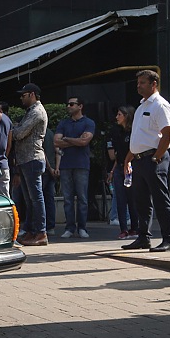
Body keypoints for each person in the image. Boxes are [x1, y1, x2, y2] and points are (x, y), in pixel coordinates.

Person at [122, 70, 170, 252]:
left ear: (154, 84)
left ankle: (169, 239)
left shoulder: (160, 105)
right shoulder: (141, 107)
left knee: (161, 199)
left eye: (142, 83)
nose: (138, 86)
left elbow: (168, 133)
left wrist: (157, 156)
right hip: (139, 159)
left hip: (153, 158)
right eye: (138, 82)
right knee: (141, 201)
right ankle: (143, 237)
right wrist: (128, 158)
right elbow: (139, 137)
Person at [12, 83, 48, 247]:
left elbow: (19, 133)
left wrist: (13, 127)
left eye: (24, 95)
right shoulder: (31, 112)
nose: (21, 98)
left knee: (36, 198)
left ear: (32, 94)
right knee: (30, 199)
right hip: (26, 159)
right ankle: (32, 231)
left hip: (32, 159)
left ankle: (41, 232)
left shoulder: (36, 112)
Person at [54, 97, 95, 239]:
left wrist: (67, 139)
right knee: (68, 199)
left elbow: (85, 141)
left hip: (81, 164)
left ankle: (82, 227)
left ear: (80, 106)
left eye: (72, 104)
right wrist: (76, 140)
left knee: (82, 198)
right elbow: (56, 141)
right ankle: (70, 228)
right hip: (66, 165)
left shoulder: (88, 123)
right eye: (68, 104)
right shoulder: (64, 123)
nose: (68, 106)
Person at [106, 105, 138, 240]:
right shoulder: (116, 131)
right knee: (120, 198)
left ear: (127, 116)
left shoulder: (134, 132)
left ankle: (134, 228)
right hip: (119, 167)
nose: (117, 117)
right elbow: (116, 155)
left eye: (120, 114)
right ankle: (123, 229)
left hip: (132, 167)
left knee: (132, 199)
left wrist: (128, 163)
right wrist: (113, 171)